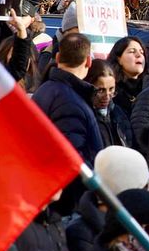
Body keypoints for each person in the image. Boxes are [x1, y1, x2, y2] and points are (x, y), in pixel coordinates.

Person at [33, 31, 107, 165]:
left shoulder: (45, 89)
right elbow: (73, 161)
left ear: (58, 57)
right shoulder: (70, 103)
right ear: (89, 61)